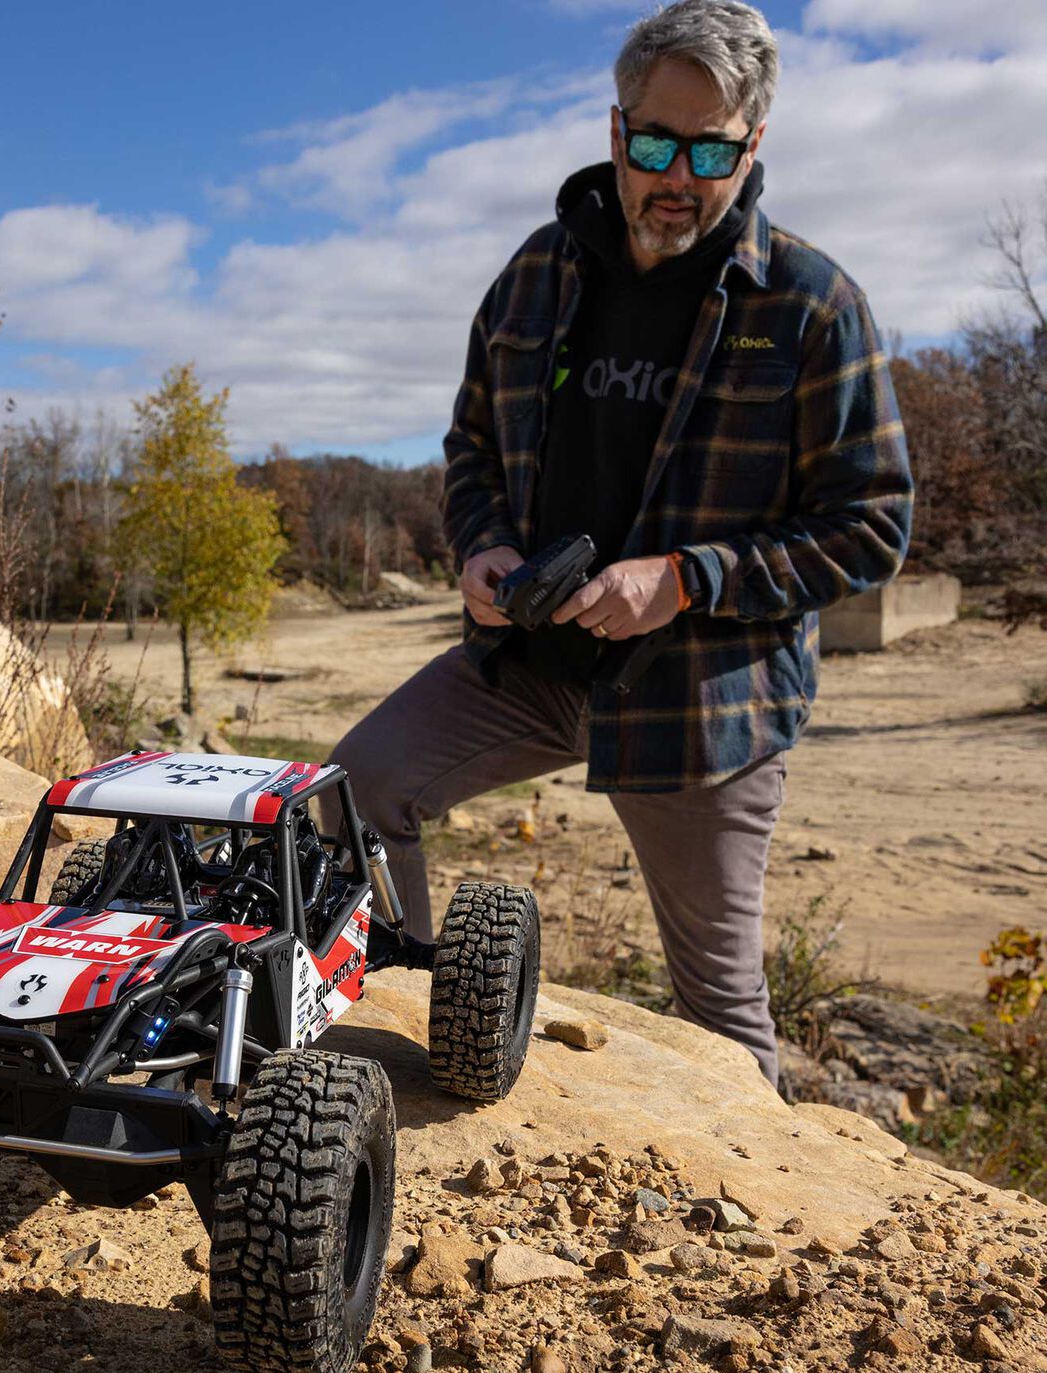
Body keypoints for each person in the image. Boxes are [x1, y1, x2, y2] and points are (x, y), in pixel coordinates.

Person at [331, 0, 913, 1087]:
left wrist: (687, 579)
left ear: (754, 145)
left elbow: (872, 525)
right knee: (356, 790)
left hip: (698, 702)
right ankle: (409, 1038)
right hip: (528, 661)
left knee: (717, 1004)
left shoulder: (811, 305)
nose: (677, 177)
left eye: (710, 151)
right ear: (616, 131)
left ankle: (748, 1187)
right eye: (654, 144)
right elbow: (470, 449)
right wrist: (482, 548)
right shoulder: (536, 274)